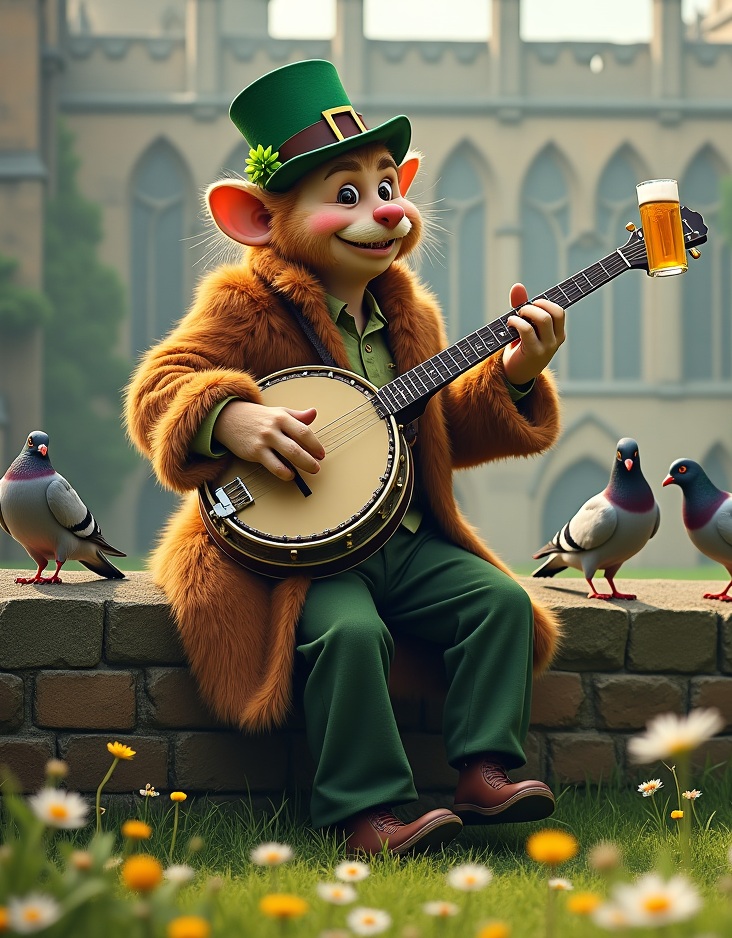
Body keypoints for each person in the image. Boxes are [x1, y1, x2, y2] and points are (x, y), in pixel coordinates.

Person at [125, 60, 566, 854]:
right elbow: (159, 390)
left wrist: (516, 375)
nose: (383, 211)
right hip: (297, 555)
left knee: (499, 604)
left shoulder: (413, 319)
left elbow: (441, 431)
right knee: (350, 634)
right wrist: (227, 417)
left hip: (404, 539)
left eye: (388, 186)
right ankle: (370, 812)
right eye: (348, 194)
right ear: (261, 219)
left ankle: (485, 770)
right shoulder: (242, 305)